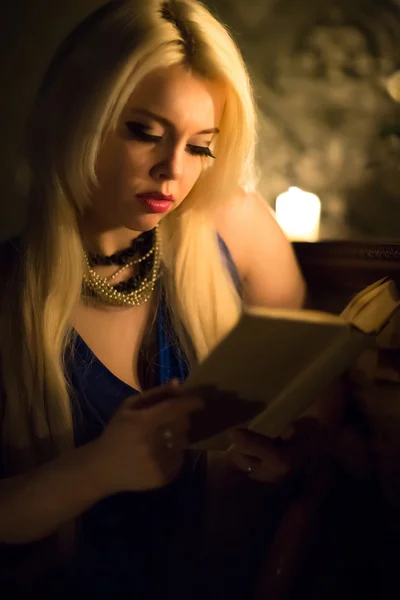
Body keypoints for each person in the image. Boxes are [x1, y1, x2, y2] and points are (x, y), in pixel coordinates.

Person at [0, 0, 340, 596]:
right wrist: (95, 471)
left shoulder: (235, 227)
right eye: (145, 133)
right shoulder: (10, 291)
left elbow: (318, 389)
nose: (172, 173)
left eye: (200, 145)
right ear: (75, 116)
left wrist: (298, 449)